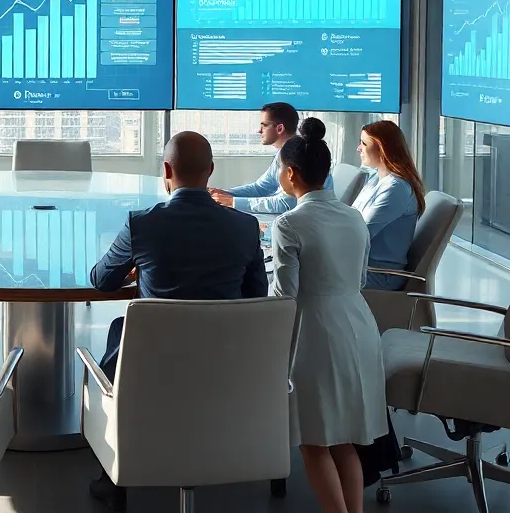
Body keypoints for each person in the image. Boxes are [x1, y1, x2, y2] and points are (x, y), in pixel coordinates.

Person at [87, 131, 267, 510]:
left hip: (152, 369)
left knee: (121, 331)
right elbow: (257, 300)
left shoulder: (142, 225)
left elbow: (102, 282)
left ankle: (114, 475)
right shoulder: (246, 227)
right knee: (123, 329)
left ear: (166, 170)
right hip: (226, 365)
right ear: (211, 171)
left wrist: (138, 269)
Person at [268, 118, 387, 513]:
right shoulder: (353, 216)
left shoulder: (288, 224)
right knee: (343, 440)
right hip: (358, 324)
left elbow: (285, 294)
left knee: (314, 440)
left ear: (290, 174)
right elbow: (362, 276)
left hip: (315, 334)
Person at [211, 102, 332, 215]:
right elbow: (262, 187)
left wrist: (233, 201)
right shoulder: (283, 153)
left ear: (280, 128)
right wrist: (225, 194)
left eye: (264, 126)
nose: (259, 131)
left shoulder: (300, 155)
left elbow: (286, 204)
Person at [354, 120, 426, 290]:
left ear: (382, 149)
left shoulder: (396, 188)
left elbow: (360, 232)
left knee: (309, 275)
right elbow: (351, 220)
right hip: (363, 266)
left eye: (364, 144)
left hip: (380, 274)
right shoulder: (375, 179)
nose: (359, 148)